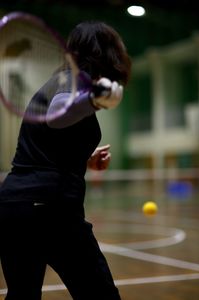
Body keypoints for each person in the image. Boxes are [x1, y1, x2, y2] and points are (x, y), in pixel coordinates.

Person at [0, 20, 132, 300]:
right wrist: (94, 101)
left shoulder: (64, 82)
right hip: (50, 209)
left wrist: (85, 159)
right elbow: (58, 116)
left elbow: (51, 143)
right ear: (103, 52)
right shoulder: (72, 83)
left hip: (15, 205)